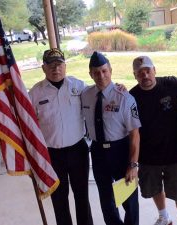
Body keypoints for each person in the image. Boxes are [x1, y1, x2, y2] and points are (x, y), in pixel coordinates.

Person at [28, 48, 93, 225]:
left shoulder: (78, 86)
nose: (55, 69)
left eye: (59, 65)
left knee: (82, 195)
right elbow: (27, 125)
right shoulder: (35, 93)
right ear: (43, 68)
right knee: (59, 199)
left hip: (78, 150)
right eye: (51, 66)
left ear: (65, 66)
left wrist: (117, 87)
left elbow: (99, 96)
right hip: (52, 155)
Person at [81, 51, 141, 225]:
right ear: (90, 74)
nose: (101, 76)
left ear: (111, 71)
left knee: (129, 198)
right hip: (98, 151)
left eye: (104, 71)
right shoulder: (85, 95)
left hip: (120, 151)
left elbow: (135, 134)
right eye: (96, 72)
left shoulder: (124, 98)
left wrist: (133, 164)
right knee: (106, 200)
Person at [130, 56, 177, 225]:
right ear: (135, 75)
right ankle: (164, 216)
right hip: (148, 156)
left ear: (154, 70)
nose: (145, 75)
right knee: (154, 188)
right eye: (140, 73)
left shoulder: (172, 84)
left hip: (173, 153)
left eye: (148, 71)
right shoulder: (131, 96)